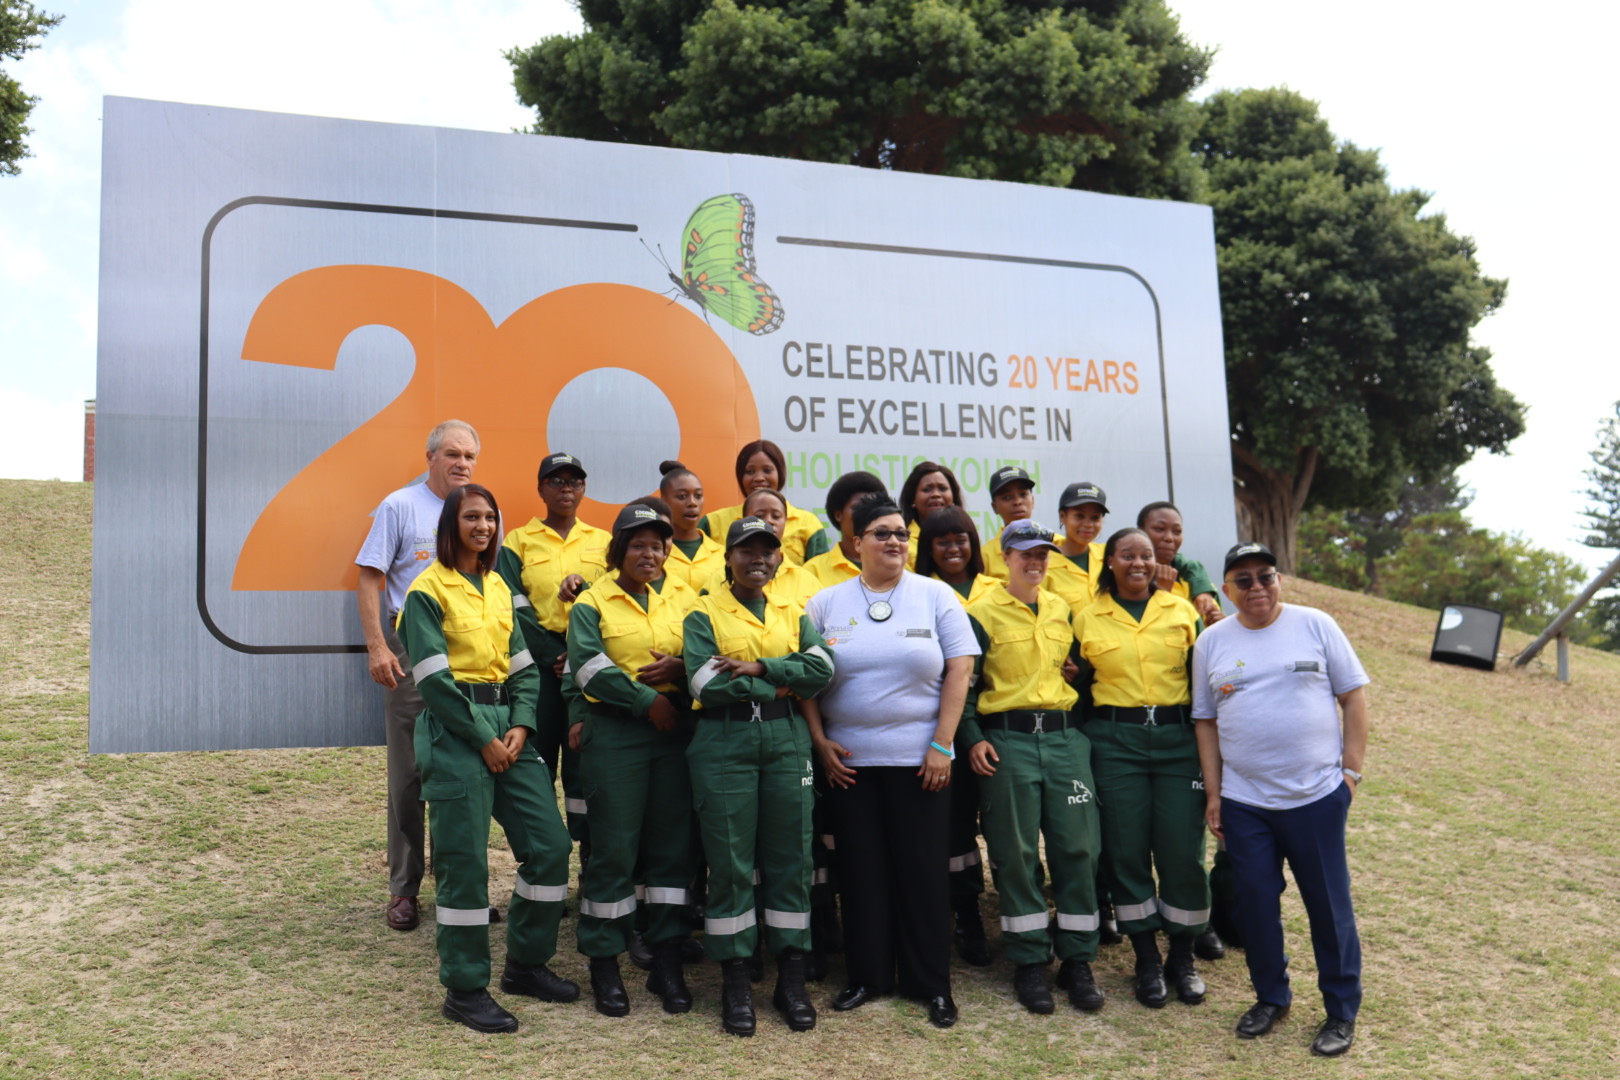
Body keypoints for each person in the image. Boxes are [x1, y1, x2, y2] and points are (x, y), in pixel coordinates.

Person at [395, 483, 577, 1032]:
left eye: (490, 518)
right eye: (471, 517)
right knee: (464, 865)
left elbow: (522, 666)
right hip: (457, 733)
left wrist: (522, 724)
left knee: (550, 846)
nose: (483, 526)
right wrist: (482, 737)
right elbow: (433, 680)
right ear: (450, 525)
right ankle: (465, 987)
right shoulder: (428, 591)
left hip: (508, 729)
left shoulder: (497, 585)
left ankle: (525, 964)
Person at [804, 497, 979, 1029]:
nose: (895, 542)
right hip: (849, 765)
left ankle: (931, 985)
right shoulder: (826, 602)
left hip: (921, 763)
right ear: (855, 542)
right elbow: (806, 675)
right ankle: (866, 977)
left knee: (923, 874)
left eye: (902, 533)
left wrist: (943, 744)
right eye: (881, 533)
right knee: (861, 873)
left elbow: (961, 668)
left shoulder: (935, 595)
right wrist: (819, 740)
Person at [1192, 542, 1369, 1058]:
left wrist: (1350, 775)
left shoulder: (1315, 624)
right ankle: (1271, 997)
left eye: (1265, 576)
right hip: (1246, 801)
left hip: (1316, 797)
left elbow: (1353, 696)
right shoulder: (1212, 641)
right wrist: (1215, 792)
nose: (1256, 588)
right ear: (1227, 589)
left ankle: (1340, 1010)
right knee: (1255, 904)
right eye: (1242, 580)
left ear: (1279, 580)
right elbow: (1205, 720)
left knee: (1328, 907)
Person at [683, 516, 837, 1036]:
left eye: (768, 550)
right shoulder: (703, 611)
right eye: (747, 549)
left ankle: (790, 979)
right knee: (729, 861)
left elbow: (823, 670)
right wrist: (779, 681)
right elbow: (706, 684)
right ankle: (735, 982)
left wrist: (759, 669)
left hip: (787, 743)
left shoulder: (793, 610)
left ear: (778, 559)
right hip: (725, 742)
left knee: (792, 858)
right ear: (728, 557)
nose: (759, 558)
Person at [958, 520, 1106, 1014]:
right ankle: (1028, 961)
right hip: (1008, 742)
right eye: (1025, 554)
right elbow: (964, 687)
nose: (1035, 562)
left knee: (1078, 848)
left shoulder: (1063, 609)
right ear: (1005, 557)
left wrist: (1077, 676)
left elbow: (1079, 672)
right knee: (1016, 852)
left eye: (1042, 554)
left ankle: (1078, 959)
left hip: (1064, 741)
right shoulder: (980, 613)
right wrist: (973, 738)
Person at [565, 503, 697, 1018]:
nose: (651, 553)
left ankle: (666, 963)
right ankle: (605, 964)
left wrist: (682, 671)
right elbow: (589, 670)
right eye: (639, 544)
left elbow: (710, 654)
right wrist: (649, 702)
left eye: (658, 545)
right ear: (618, 550)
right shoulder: (592, 602)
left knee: (671, 853)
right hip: (617, 735)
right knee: (614, 852)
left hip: (673, 737)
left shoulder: (685, 598)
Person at [1072, 528, 1209, 1010]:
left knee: (1182, 851)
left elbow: (1207, 682)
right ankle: (1147, 958)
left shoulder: (1182, 611)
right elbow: (1075, 685)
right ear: (1109, 562)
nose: (1139, 563)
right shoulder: (1086, 618)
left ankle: (1183, 957)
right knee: (1126, 851)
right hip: (1114, 741)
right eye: (1127, 555)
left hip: (1178, 740)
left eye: (1147, 555)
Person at [355, 418, 480, 932]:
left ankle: (460, 887)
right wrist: (378, 646)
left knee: (461, 772)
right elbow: (369, 576)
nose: (461, 464)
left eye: (470, 456)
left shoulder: (478, 511)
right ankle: (404, 889)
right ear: (430, 457)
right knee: (408, 774)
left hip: (468, 650)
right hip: (410, 648)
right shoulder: (400, 506)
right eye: (452, 453)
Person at [498, 453, 611, 841]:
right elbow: (512, 606)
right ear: (541, 489)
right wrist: (552, 656)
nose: (566, 489)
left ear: (583, 488)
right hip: (538, 672)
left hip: (587, 671)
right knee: (538, 760)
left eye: (574, 482)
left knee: (585, 763)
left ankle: (591, 864)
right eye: (556, 481)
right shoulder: (517, 541)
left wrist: (576, 656)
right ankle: (546, 855)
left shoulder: (604, 542)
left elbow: (614, 600)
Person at [912, 505, 997, 964]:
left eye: (961, 539)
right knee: (938, 827)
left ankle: (969, 914)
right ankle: (935, 916)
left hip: (983, 726)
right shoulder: (918, 593)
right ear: (927, 549)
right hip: (934, 728)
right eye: (941, 541)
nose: (952, 548)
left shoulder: (996, 593)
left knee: (963, 831)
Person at [701, 439, 831, 566]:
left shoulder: (808, 523)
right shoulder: (713, 523)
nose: (758, 478)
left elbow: (819, 576)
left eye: (767, 470)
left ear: (780, 473)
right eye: (750, 471)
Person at [699, 487, 821, 611]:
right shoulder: (717, 580)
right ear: (744, 519)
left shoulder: (809, 582)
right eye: (760, 515)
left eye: (776, 516)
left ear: (786, 521)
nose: (769, 521)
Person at [1137, 501, 1225, 626]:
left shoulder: (1198, 583)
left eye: (1177, 532)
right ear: (1140, 532)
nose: (1169, 538)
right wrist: (1163, 594)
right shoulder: (1129, 580)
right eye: (1159, 529)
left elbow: (1215, 628)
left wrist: (1219, 623)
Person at [803, 471, 890, 587]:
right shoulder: (813, 571)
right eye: (858, 507)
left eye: (874, 507)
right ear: (838, 515)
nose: (867, 514)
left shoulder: (896, 566)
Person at [658, 460, 726, 591]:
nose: (692, 503)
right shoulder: (654, 553)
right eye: (682, 496)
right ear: (664, 501)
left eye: (698, 495)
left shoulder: (722, 554)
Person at [1044, 481, 1109, 614]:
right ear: (1063, 516)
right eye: (1079, 516)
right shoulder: (1044, 564)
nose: (1088, 524)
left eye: (1095, 517)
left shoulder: (1110, 556)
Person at [898, 460, 963, 568]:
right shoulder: (903, 544)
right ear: (913, 499)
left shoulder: (966, 540)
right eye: (927, 489)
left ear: (953, 497)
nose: (936, 494)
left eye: (942, 488)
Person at [981, 465, 1036, 580]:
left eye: (1023, 494)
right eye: (1007, 497)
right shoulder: (985, 556)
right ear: (995, 507)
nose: (1017, 502)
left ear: (1033, 500)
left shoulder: (1057, 545)